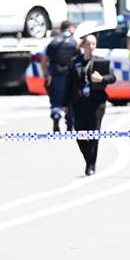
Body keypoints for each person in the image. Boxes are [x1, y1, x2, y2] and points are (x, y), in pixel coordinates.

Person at [63, 33, 116, 176]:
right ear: (83, 46)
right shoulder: (75, 62)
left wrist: (101, 78)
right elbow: (69, 83)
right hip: (79, 102)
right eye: (88, 44)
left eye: (93, 44)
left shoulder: (100, 62)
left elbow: (112, 78)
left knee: (93, 133)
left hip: (96, 102)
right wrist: (64, 102)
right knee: (80, 132)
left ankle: (91, 164)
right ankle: (88, 158)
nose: (91, 47)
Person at [41, 20, 78, 132]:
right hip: (70, 77)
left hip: (56, 76)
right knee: (70, 100)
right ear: (70, 28)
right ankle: (70, 123)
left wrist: (46, 75)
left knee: (56, 100)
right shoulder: (74, 42)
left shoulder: (53, 43)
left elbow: (44, 60)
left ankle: (56, 115)